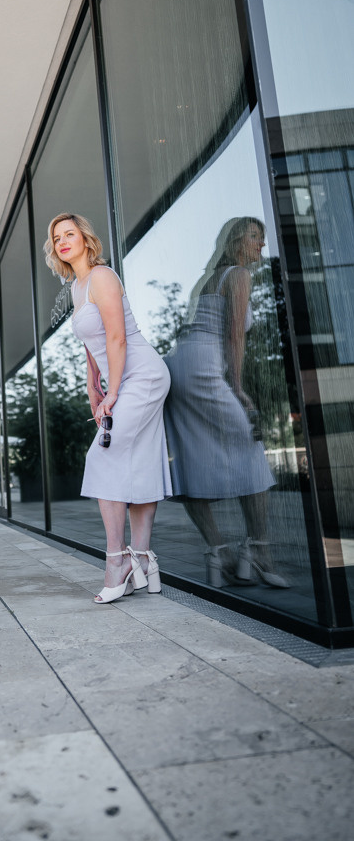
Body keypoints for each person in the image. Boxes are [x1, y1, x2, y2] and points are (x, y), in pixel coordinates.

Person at [44, 213, 172, 603]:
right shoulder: (78, 286)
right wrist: (93, 388)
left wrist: (113, 391)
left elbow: (117, 337)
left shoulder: (101, 276)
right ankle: (144, 560)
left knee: (102, 457)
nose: (64, 241)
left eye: (70, 233)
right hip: (120, 380)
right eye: (57, 237)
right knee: (139, 464)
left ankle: (116, 561)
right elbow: (92, 348)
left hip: (142, 376)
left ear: (85, 238)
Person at [163, 217, 289, 588]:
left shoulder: (208, 278)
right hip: (203, 368)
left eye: (263, 239)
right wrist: (238, 386)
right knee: (250, 448)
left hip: (179, 367)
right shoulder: (237, 274)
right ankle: (260, 550)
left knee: (191, 460)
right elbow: (234, 336)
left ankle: (219, 553)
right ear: (236, 240)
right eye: (255, 236)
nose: (261, 245)